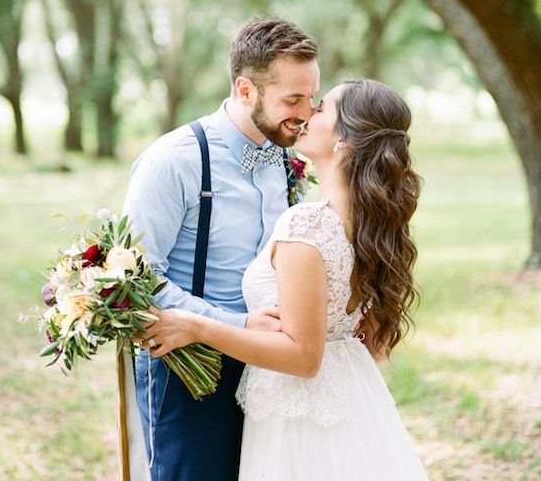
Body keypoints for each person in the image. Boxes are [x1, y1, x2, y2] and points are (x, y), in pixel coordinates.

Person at [141, 78, 430, 481]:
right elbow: (369, 335)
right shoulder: (370, 224)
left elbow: (302, 357)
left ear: (345, 141)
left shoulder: (307, 225)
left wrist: (196, 326)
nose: (308, 113)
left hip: (299, 415)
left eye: (323, 107)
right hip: (351, 393)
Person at [122, 17, 320, 481]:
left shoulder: (287, 159)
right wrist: (237, 324)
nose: (307, 113)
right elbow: (134, 279)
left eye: (313, 97)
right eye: (293, 99)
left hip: (273, 371)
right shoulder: (174, 161)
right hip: (190, 369)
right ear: (245, 89)